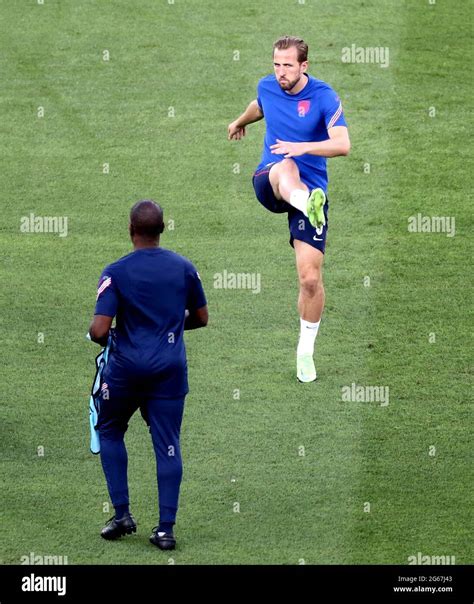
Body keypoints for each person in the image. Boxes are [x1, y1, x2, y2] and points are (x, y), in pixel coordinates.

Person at [228, 35, 350, 382]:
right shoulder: (268, 86)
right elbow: (259, 104)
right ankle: (304, 203)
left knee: (310, 279)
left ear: (304, 66)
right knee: (285, 166)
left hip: (312, 190)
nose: (281, 72)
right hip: (270, 181)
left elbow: (343, 144)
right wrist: (239, 122)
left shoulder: (324, 97)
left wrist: (302, 146)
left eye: (288, 66)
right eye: (277, 65)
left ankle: (305, 353)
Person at [88, 199, 208, 550]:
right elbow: (201, 318)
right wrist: (168, 328)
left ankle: (122, 514)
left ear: (130, 230)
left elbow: (98, 330)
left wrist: (115, 335)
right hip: (169, 370)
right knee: (168, 443)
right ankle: (165, 529)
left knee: (109, 429)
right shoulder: (184, 268)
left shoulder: (116, 272)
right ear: (162, 229)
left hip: (125, 371)